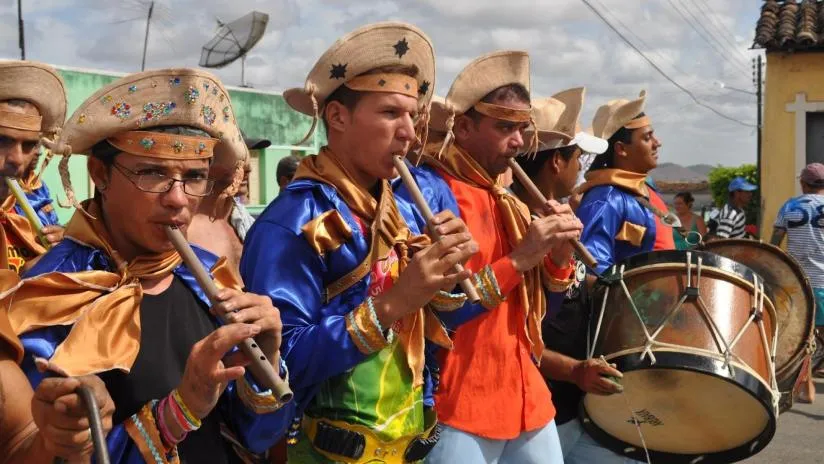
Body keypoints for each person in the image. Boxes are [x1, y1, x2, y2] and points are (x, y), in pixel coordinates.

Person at [7, 68, 294, 463]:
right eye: (153, 172)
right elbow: (42, 454)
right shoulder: (49, 294)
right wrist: (182, 408)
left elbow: (256, 437)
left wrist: (266, 367)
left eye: (194, 177)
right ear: (99, 174)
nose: (178, 200)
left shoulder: (210, 276)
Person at [241, 22, 479, 463]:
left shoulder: (406, 209)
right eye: (391, 113)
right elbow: (277, 362)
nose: (408, 132)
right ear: (338, 117)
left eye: (412, 116)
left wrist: (454, 273)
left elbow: (457, 317)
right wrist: (395, 301)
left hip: (410, 442)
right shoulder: (293, 222)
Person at [396, 50, 583, 463]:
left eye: (522, 128)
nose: (519, 142)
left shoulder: (509, 200)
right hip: (456, 398)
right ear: (463, 127)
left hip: (525, 393)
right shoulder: (425, 192)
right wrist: (521, 257)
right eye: (505, 128)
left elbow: (540, 314)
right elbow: (436, 312)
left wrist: (559, 254)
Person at [511, 88, 631, 463]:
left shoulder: (557, 219)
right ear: (556, 163)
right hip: (534, 410)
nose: (582, 167)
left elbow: (576, 286)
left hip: (571, 409)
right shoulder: (520, 230)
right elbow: (517, 337)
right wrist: (576, 370)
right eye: (577, 157)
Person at [577, 90, 675, 275]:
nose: (657, 142)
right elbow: (593, 269)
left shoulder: (645, 189)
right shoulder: (605, 199)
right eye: (647, 138)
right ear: (621, 149)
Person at [0, 61, 68, 274]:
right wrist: (23, 282)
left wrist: (66, 246)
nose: (17, 159)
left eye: (28, 145)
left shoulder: (36, 198)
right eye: (2, 140)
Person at [771, 163, 824, 403]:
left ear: (803, 183)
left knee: (804, 333)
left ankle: (806, 383)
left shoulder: (789, 206)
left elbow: (774, 245)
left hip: (799, 282)